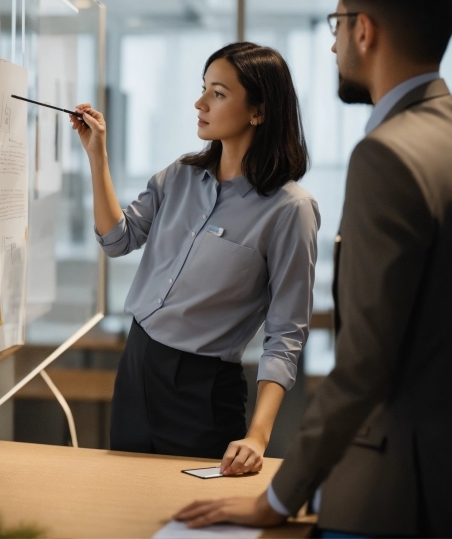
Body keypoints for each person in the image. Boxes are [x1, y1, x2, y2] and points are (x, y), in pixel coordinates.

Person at [174, 0, 452, 537]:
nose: (332, 41)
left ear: (365, 31)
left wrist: (276, 499)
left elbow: (364, 367)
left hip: (399, 496)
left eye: (338, 23)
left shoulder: (388, 156)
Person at [71, 42, 320, 474]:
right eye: (203, 88)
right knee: (123, 502)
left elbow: (285, 335)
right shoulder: (179, 176)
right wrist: (98, 156)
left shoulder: (289, 210)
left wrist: (258, 436)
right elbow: (117, 240)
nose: (199, 103)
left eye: (218, 94)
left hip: (202, 392)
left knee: (189, 520)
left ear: (258, 111)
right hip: (137, 366)